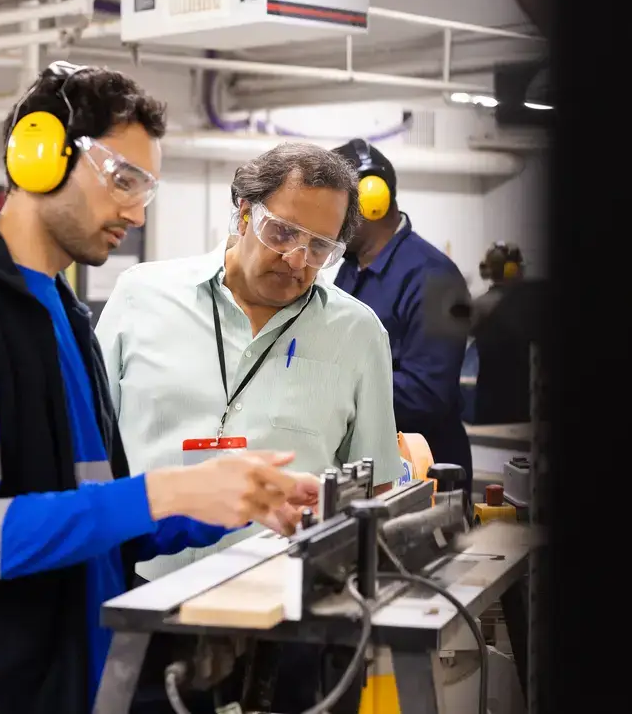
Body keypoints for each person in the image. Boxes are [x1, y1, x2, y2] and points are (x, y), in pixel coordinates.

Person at [0, 63, 315, 714]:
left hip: (69, 683)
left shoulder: (65, 314)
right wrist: (166, 489)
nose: (137, 210)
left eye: (148, 188)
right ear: (37, 155)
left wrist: (223, 497)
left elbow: (97, 521)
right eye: (123, 179)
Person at [94, 140, 403, 712]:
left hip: (287, 618)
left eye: (321, 248)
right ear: (242, 211)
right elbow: (91, 443)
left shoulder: (358, 334)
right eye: (282, 233)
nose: (297, 259)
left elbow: (376, 484)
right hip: (141, 593)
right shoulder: (141, 297)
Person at [332, 138, 474, 491]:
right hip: (371, 465)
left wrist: (335, 390)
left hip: (427, 475)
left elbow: (428, 394)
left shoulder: (437, 278)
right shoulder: (350, 269)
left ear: (370, 201)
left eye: (334, 206)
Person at [470, 242, 538, 424]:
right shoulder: (524, 304)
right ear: (511, 269)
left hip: (489, 395)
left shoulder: (479, 305)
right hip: (518, 396)